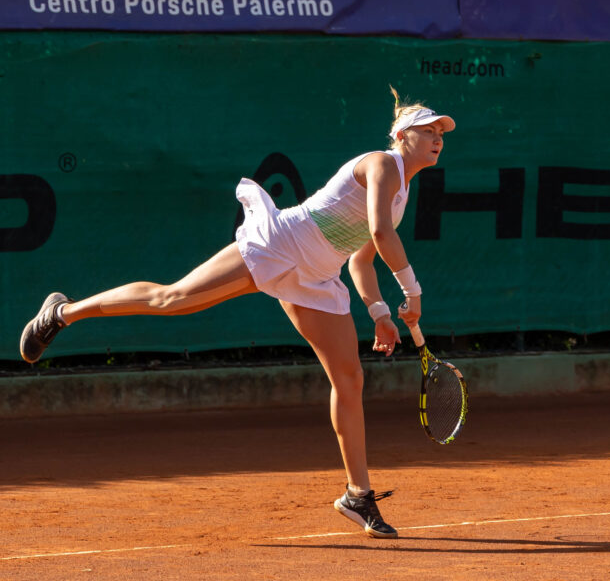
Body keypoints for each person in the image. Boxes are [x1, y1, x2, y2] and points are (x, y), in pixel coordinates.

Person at [19, 87, 455, 540]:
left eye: (441, 132)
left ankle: (357, 495)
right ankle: (63, 312)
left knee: (349, 379)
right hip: (281, 245)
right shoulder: (382, 164)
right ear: (402, 136)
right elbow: (382, 233)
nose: (438, 138)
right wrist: (411, 289)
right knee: (173, 300)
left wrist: (380, 311)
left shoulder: (402, 192)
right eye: (428, 130)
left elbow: (359, 260)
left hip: (315, 277)